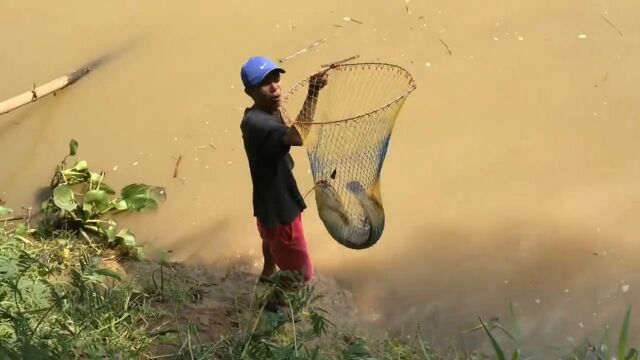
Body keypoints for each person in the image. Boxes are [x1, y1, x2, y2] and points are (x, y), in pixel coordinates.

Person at [239, 56, 327, 286]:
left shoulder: (255, 114)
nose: (274, 86)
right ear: (249, 91)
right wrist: (314, 92)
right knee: (301, 274)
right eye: (264, 83)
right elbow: (296, 138)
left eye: (275, 78)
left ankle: (267, 274)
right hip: (281, 213)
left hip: (266, 208)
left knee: (270, 242)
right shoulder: (259, 124)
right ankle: (273, 310)